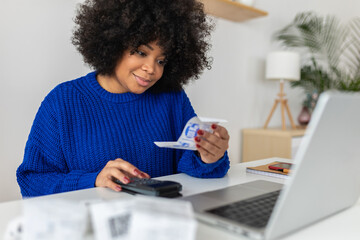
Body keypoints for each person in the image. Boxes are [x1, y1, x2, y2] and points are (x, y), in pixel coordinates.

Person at [17, 0, 230, 197]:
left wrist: (208, 157)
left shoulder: (171, 97)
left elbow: (193, 169)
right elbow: (32, 181)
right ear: (114, 42)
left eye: (162, 61)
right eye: (140, 52)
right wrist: (93, 180)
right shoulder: (63, 101)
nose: (151, 69)